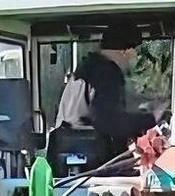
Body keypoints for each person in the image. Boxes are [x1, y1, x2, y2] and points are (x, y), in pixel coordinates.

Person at [52, 24, 158, 167]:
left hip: (65, 160)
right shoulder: (109, 74)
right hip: (98, 164)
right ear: (126, 51)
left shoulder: (83, 71)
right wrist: (151, 118)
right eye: (135, 52)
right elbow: (111, 122)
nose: (135, 57)